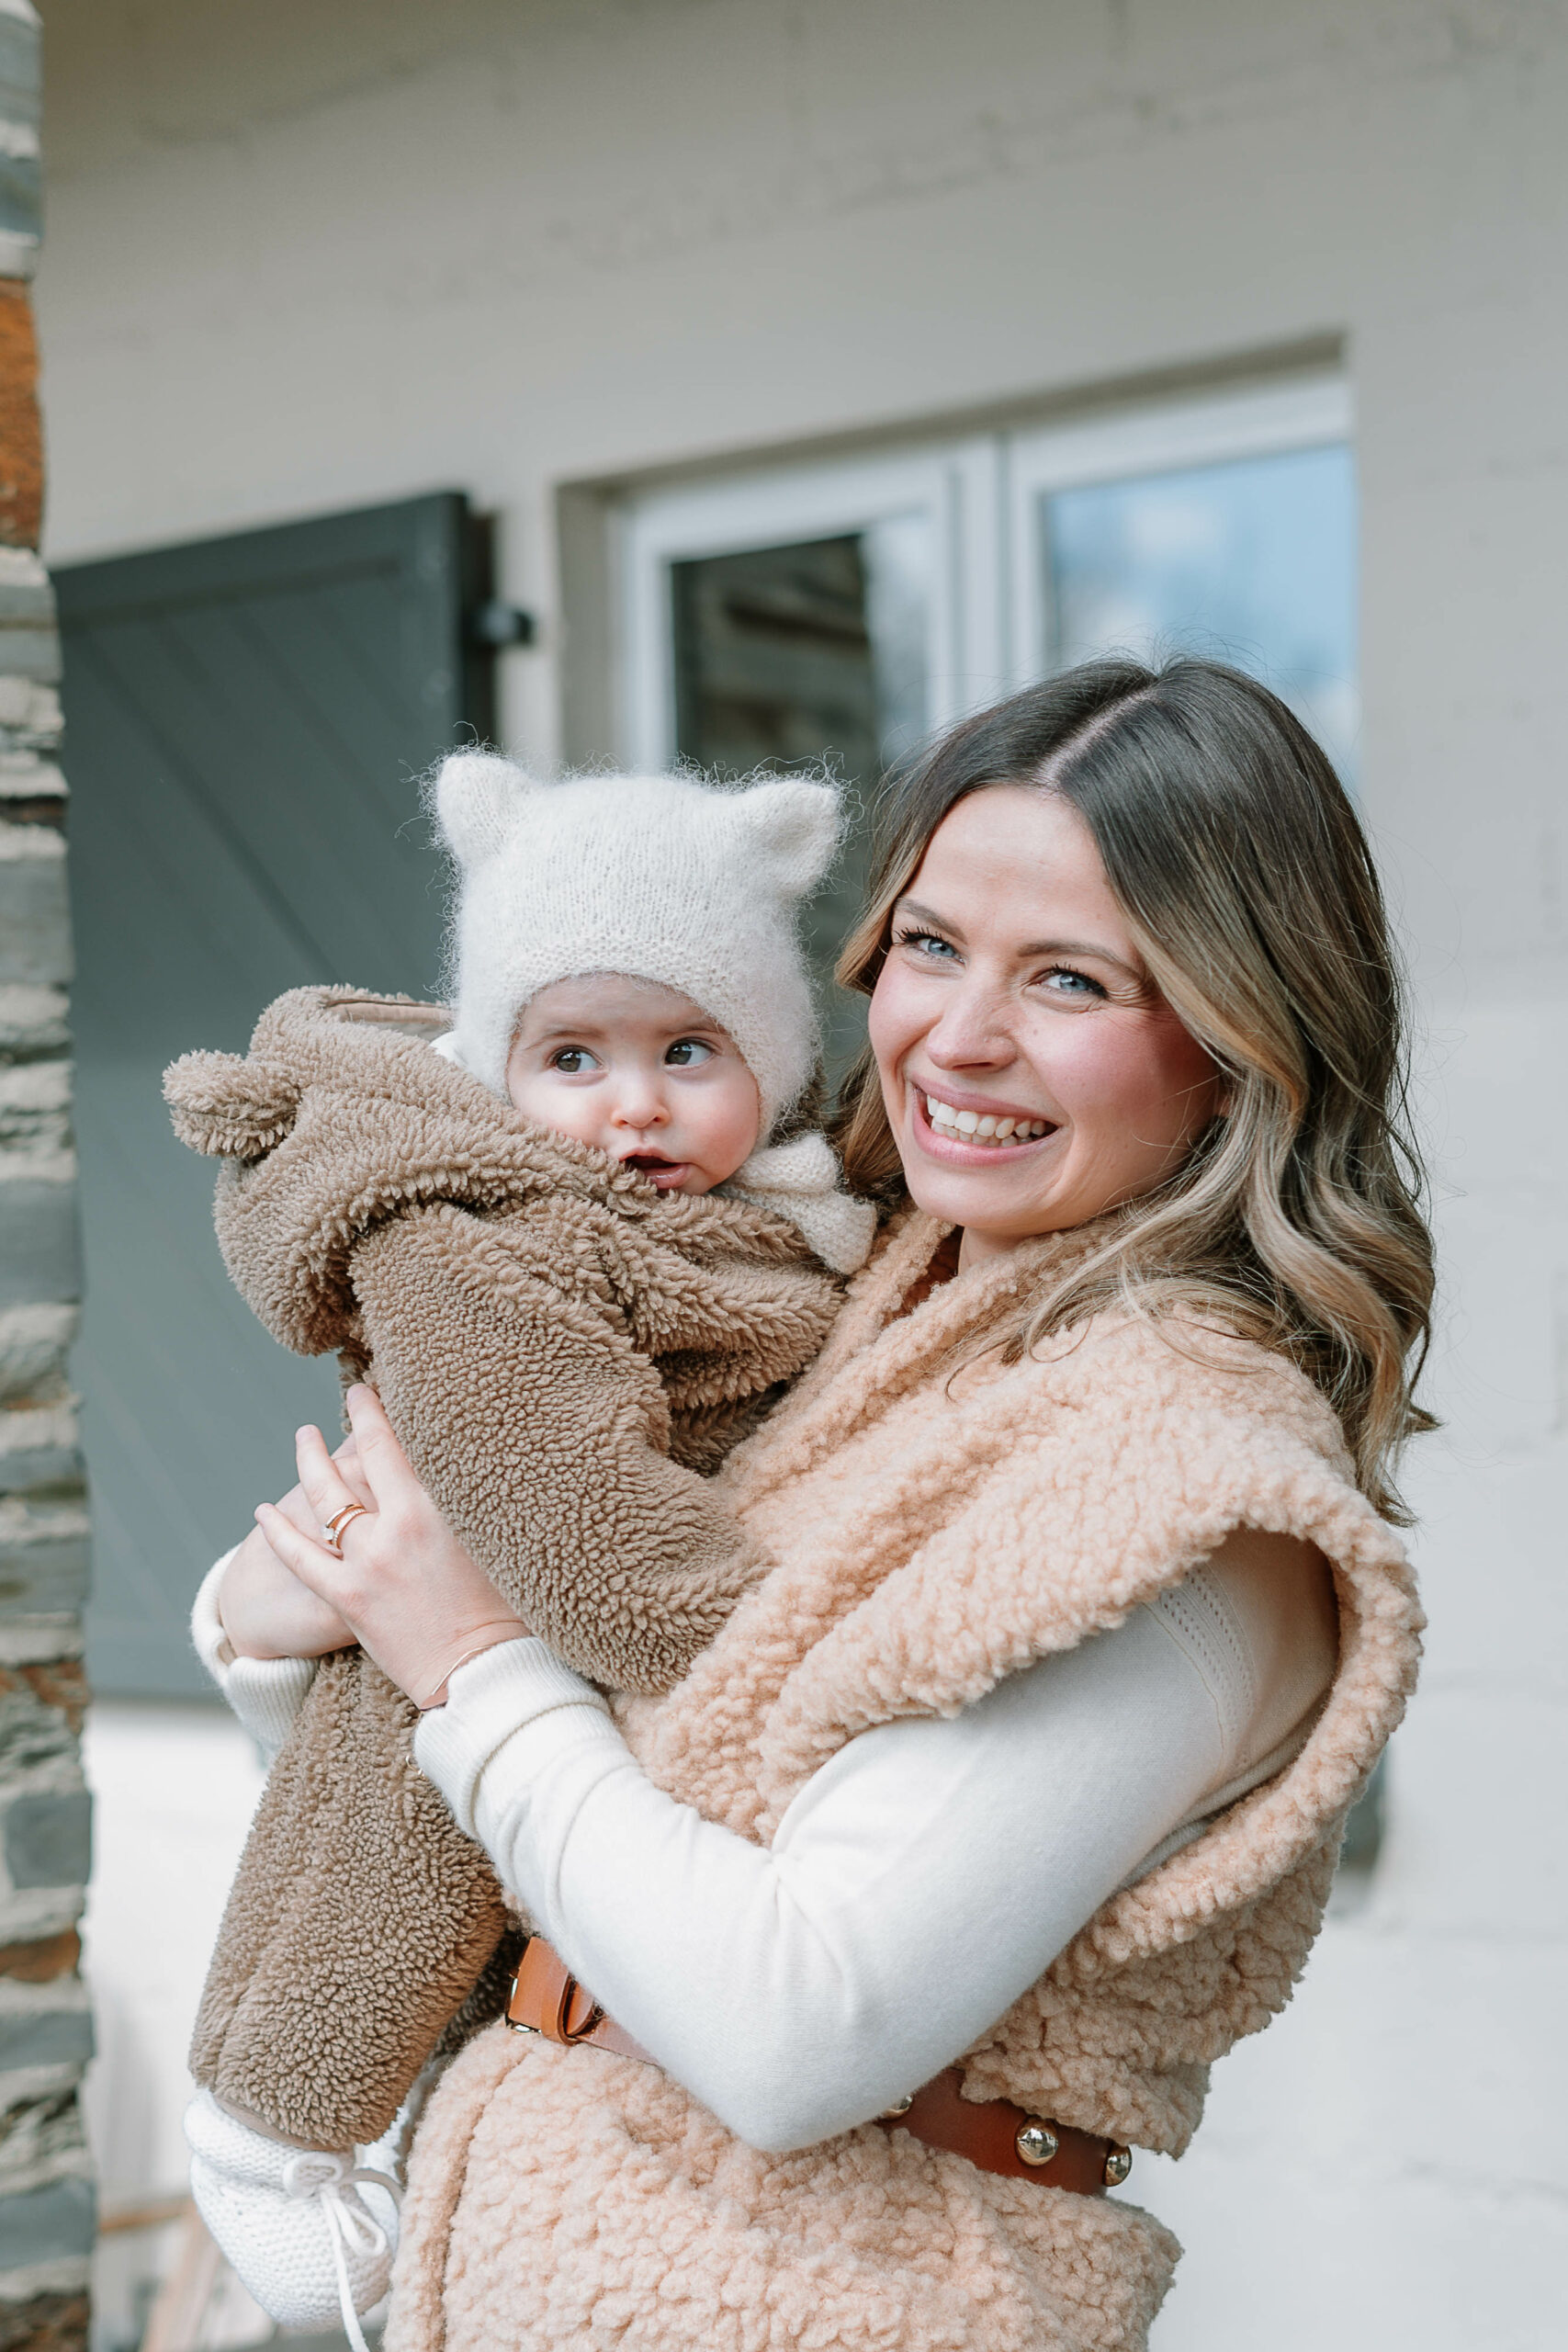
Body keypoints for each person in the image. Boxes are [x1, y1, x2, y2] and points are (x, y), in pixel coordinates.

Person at [198, 660, 1432, 2352]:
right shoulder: (847, 1295)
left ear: (1237, 1042)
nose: (956, 1036)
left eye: (1069, 977)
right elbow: (518, 1765)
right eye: (931, 946)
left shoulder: (1188, 1484)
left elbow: (792, 2034)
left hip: (832, 2300)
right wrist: (296, 1624)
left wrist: (461, 1655)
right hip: (539, 2250)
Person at [175, 755, 874, 2333]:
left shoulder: (773, 1230)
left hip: (543, 1746)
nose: (633, 1103)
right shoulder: (477, 1241)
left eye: (689, 1049)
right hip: (512, 1642)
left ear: (769, 1063)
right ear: (502, 1072)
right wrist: (783, 1657)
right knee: (397, 1846)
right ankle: (278, 2123)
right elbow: (573, 1516)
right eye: (572, 1055)